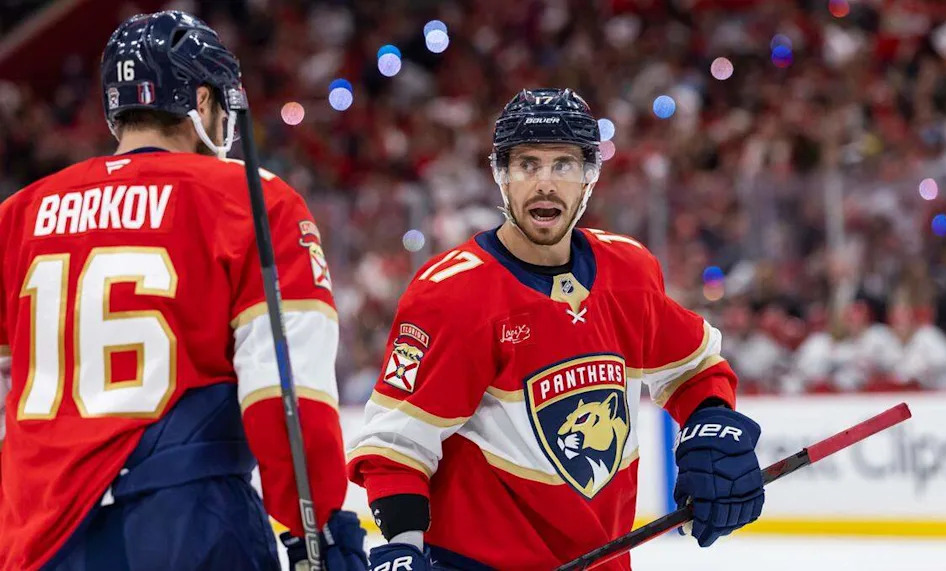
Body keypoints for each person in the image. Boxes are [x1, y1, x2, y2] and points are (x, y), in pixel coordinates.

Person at [0, 11, 364, 571]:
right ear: (201, 101)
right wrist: (319, 529)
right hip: (185, 523)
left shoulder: (19, 213)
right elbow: (286, 394)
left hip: (35, 534)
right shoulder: (251, 199)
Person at [347, 88, 765, 570]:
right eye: (527, 164)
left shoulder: (628, 271)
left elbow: (693, 367)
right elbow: (396, 446)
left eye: (563, 164)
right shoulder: (450, 295)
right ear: (500, 174)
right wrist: (402, 548)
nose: (544, 183)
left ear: (590, 176)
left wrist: (711, 423)